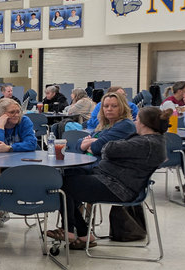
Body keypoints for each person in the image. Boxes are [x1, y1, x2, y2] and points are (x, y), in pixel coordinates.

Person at [52, 107, 169, 249]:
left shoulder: (147, 143)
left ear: (144, 124)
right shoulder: (151, 140)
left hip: (117, 187)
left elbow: (108, 148)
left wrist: (99, 144)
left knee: (60, 183)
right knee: (70, 173)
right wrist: (99, 145)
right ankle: (78, 232)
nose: (135, 122)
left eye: (137, 119)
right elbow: (107, 148)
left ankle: (75, 230)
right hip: (111, 179)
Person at [79, 91, 135, 157]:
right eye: (106, 106)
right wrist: (94, 141)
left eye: (114, 106)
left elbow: (98, 147)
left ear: (122, 108)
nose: (109, 109)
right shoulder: (103, 125)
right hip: (88, 161)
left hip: (104, 165)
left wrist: (89, 142)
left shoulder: (126, 125)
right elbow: (78, 144)